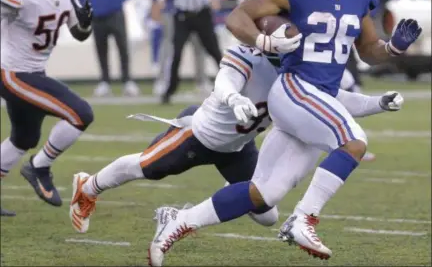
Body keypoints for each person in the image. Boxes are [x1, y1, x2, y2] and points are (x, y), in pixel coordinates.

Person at [145, 0, 422, 265]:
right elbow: (238, 17)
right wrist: (263, 41)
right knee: (353, 141)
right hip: (296, 89)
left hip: (322, 95)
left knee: (263, 194)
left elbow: (367, 50)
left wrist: (393, 49)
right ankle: (304, 218)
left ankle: (178, 220)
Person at [68, 38, 400, 234]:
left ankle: (179, 215)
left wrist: (376, 103)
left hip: (239, 147)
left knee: (267, 212)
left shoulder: (300, 69)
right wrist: (234, 98)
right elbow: (225, 80)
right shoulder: (248, 52)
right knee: (148, 167)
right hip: (199, 135)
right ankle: (88, 185)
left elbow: (333, 100)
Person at [0, 0, 94, 216]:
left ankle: (34, 161)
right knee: (80, 113)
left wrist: (85, 24)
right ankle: (39, 166)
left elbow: (78, 33)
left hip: (35, 71)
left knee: (24, 138)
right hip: (13, 73)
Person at [153, 0, 223, 104]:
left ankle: (228, 85)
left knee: (215, 52)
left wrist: (215, 0)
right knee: (176, 53)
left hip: (202, 14)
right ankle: (169, 89)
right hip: (182, 16)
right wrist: (159, 5)